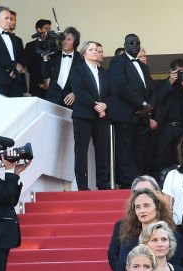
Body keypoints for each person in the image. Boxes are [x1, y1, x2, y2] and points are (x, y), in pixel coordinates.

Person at [107, 34, 154, 188]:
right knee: (125, 150)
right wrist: (141, 104)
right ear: (125, 45)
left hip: (142, 116)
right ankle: (128, 184)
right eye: (131, 42)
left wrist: (148, 106)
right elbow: (120, 87)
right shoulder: (117, 62)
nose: (135, 45)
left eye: (137, 43)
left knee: (141, 150)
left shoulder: (143, 66)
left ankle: (139, 182)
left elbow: (150, 89)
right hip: (126, 115)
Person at [65, 40, 111, 191]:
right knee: (81, 151)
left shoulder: (104, 72)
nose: (95, 52)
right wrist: (96, 105)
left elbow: (111, 94)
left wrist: (105, 105)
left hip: (102, 116)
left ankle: (103, 185)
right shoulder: (77, 70)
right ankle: (83, 186)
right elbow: (79, 91)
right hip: (83, 115)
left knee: (103, 151)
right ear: (84, 53)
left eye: (97, 50)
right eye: (91, 49)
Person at [152, 59, 183, 173]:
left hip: (181, 128)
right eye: (179, 72)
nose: (181, 75)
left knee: (181, 158)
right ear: (171, 72)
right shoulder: (160, 84)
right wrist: (170, 82)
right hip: (164, 128)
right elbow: (156, 101)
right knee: (162, 157)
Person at [0, 6, 25, 96]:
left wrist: (15, 70)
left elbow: (21, 57)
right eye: (6, 18)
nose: (10, 21)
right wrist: (14, 65)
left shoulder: (14, 38)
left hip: (16, 80)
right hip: (0, 81)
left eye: (10, 18)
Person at [43, 26, 80, 107]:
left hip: (71, 101)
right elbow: (45, 74)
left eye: (69, 39)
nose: (65, 41)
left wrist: (75, 93)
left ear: (75, 42)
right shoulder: (53, 56)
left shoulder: (81, 59)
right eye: (63, 39)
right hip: (52, 99)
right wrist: (45, 59)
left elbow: (85, 81)